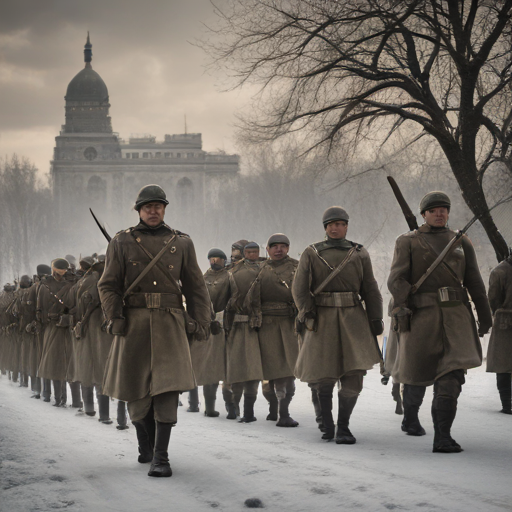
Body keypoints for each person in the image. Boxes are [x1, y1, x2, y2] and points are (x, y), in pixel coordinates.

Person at [98, 184, 211, 478]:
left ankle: (161, 457)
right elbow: (108, 285)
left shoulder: (182, 243)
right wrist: (115, 315)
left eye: (158, 206)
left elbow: (196, 287)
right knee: (136, 389)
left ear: (164, 209)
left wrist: (201, 321)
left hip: (170, 322)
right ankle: (145, 443)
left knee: (168, 388)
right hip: (133, 323)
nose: (153, 210)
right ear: (138, 210)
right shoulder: (121, 242)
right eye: (148, 206)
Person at [388, 191, 492, 453]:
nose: (439, 214)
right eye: (433, 210)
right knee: (416, 373)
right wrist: (401, 305)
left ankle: (442, 436)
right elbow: (396, 279)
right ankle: (410, 418)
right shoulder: (407, 241)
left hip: (456, 315)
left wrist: (485, 315)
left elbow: (474, 281)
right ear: (423, 214)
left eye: (443, 209)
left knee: (453, 375)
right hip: (421, 315)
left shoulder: (461, 241)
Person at [293, 207, 383, 444]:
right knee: (324, 374)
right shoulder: (311, 253)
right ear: (325, 228)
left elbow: (370, 288)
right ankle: (327, 423)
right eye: (331, 224)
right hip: (322, 318)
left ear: (346, 226)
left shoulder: (359, 253)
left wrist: (375, 318)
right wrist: (307, 311)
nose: (335, 228)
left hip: (353, 318)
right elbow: (299, 288)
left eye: (340, 224)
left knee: (354, 374)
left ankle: (344, 426)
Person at [245, 233, 300, 427]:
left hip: (289, 324)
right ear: (267, 250)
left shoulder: (297, 267)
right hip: (266, 326)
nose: (279, 249)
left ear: (288, 248)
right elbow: (249, 299)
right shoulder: (259, 270)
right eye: (274, 246)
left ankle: (284, 412)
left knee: (288, 370)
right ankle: (273, 408)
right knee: (271, 372)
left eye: (283, 246)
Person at [224, 242, 265, 423]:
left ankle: (248, 411)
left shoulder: (266, 269)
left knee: (253, 371)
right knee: (236, 370)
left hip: (258, 327)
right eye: (248, 252)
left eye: (254, 252)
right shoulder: (231, 272)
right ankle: (234, 407)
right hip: (235, 327)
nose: (251, 255)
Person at [190, 248, 230, 417]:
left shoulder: (230, 277)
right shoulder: (202, 279)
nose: (214, 262)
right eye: (212, 259)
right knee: (210, 369)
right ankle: (210, 406)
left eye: (218, 259)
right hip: (209, 326)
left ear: (224, 260)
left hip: (228, 325)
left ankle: (232, 406)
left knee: (230, 369)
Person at [486, 252, 512, 414]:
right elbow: (493, 300)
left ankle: (507, 404)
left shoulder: (499, 271)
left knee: (503, 364)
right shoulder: (500, 271)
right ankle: (507, 403)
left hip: (504, 320)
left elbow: (493, 300)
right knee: (503, 365)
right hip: (505, 322)